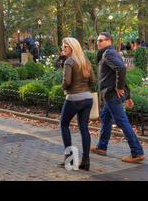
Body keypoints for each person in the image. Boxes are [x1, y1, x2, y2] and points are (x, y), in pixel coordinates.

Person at [91, 32, 145, 162]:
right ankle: (102, 147)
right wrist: (128, 96)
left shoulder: (108, 53)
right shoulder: (110, 53)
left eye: (101, 40)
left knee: (122, 122)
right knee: (105, 117)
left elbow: (121, 69)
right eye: (97, 40)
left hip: (111, 94)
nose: (98, 42)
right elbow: (120, 73)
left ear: (109, 41)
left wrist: (120, 88)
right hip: (111, 94)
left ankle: (137, 152)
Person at [59, 37, 95, 171]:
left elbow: (67, 82)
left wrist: (63, 87)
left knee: (63, 124)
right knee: (84, 128)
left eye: (65, 47)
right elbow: (92, 80)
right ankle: (86, 161)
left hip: (74, 98)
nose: (63, 49)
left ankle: (70, 159)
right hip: (87, 98)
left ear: (72, 48)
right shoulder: (85, 61)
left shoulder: (69, 61)